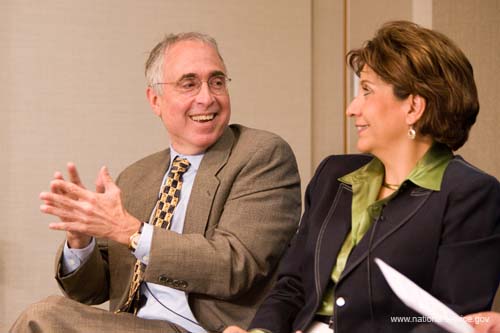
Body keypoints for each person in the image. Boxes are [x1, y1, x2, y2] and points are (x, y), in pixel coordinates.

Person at [10, 32, 301, 333]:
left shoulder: (261, 155)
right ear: (155, 100)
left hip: (204, 328)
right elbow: (91, 291)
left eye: (216, 82)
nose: (207, 97)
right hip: (130, 323)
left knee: (43, 318)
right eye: (189, 84)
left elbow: (235, 266)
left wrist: (132, 233)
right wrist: (81, 240)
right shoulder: (137, 176)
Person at [225, 20, 500, 333]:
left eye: (366, 91)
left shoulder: (470, 194)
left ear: (413, 107)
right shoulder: (333, 175)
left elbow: (450, 323)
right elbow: (292, 285)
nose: (352, 108)